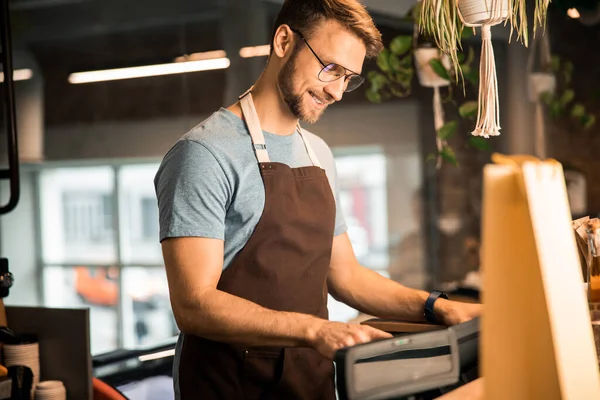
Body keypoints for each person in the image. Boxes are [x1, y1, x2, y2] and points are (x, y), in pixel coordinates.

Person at [154, 1, 482, 399]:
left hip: (309, 382)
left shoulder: (317, 153)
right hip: (230, 386)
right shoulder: (204, 154)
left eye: (349, 78)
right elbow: (194, 304)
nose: (337, 91)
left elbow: (346, 276)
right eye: (330, 68)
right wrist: (316, 329)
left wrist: (437, 307)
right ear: (283, 41)